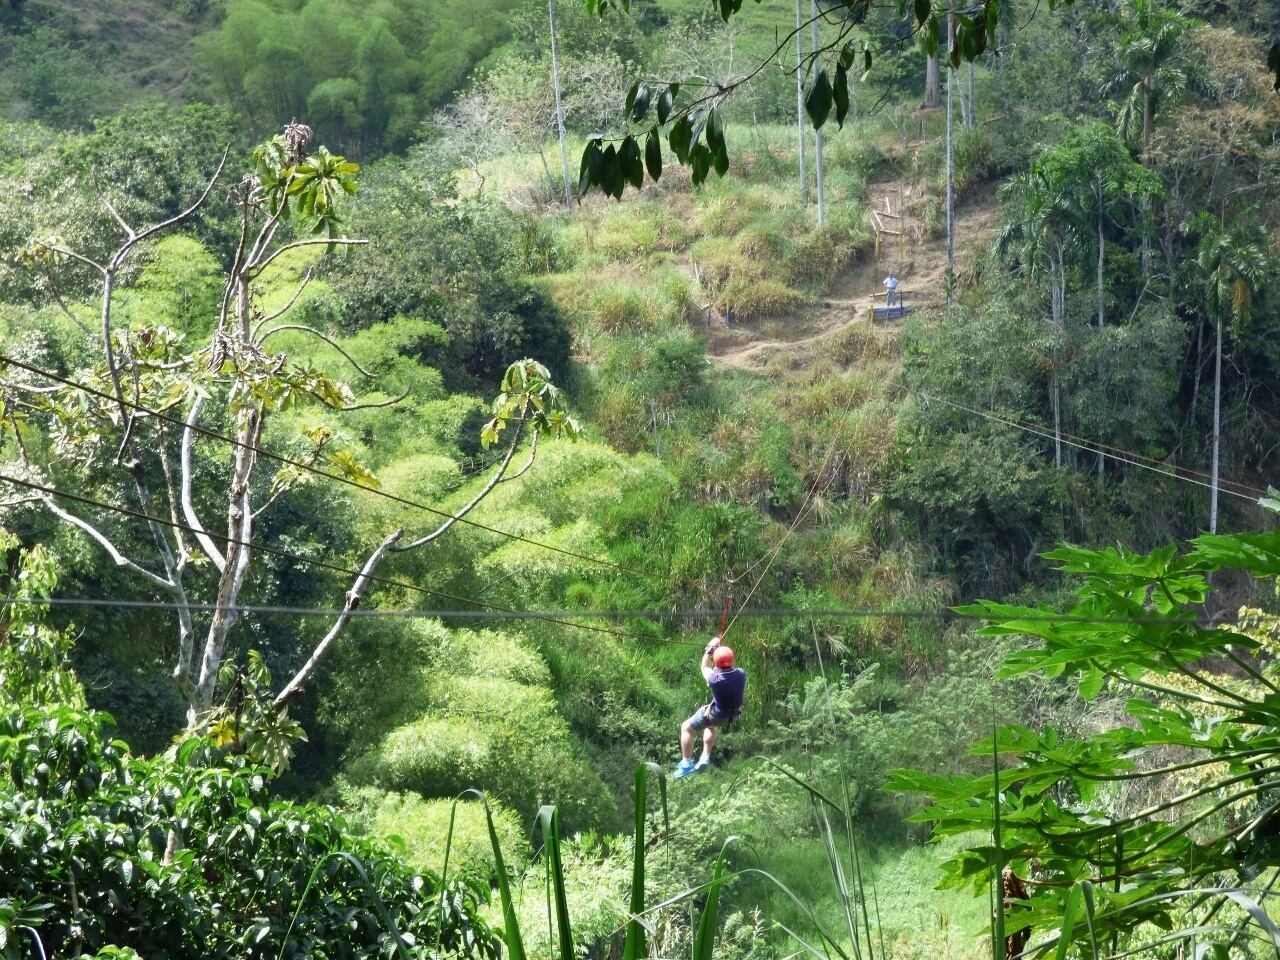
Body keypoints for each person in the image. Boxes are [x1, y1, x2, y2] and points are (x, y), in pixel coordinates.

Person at [674, 636, 747, 778]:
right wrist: (719, 650)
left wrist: (710, 648)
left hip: (716, 715)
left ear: (716, 662)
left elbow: (704, 666)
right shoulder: (741, 674)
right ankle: (705, 757)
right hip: (731, 715)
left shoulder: (714, 679)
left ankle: (686, 763)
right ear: (732, 660)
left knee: (686, 727)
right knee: (710, 726)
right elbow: (725, 667)